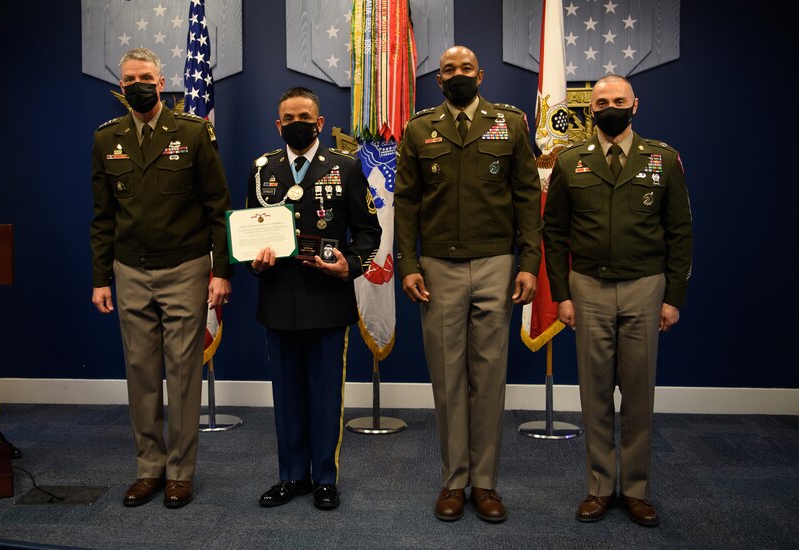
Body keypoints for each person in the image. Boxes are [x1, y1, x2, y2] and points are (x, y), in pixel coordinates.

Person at [394, 46, 542, 523]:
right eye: (448, 70)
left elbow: (526, 196)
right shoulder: (420, 128)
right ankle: (453, 481)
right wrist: (408, 264)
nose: (457, 75)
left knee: (489, 378)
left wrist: (529, 263)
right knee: (447, 378)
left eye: (465, 69)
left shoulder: (510, 123)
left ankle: (486, 482)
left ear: (482, 74)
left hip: (498, 262)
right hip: (438, 267)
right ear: (438, 79)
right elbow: (406, 203)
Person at [543, 74, 693, 527]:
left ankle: (636, 489)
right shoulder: (571, 162)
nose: (610, 106)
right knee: (595, 394)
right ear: (592, 110)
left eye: (618, 100)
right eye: (602, 101)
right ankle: (599, 487)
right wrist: (562, 296)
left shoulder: (662, 159)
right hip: (587, 288)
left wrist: (673, 298)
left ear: (635, 105)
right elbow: (553, 233)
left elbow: (680, 233)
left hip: (645, 288)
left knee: (639, 394)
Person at [90, 48, 232, 509]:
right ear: (121, 84)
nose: (137, 84)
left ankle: (180, 473)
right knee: (141, 373)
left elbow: (217, 208)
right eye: (129, 78)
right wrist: (100, 278)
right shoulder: (106, 138)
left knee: (184, 373)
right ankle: (149, 469)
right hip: (129, 269)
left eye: (145, 76)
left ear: (162, 79)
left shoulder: (192, 132)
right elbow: (102, 216)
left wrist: (220, 272)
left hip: (186, 268)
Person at [248, 87, 381, 511]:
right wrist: (254, 261)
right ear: (278, 124)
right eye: (288, 118)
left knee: (325, 396)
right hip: (278, 298)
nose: (296, 123)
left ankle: (324, 477)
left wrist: (351, 266)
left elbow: (369, 232)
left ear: (320, 123)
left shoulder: (345, 167)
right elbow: (249, 228)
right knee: (287, 396)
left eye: (304, 116)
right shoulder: (261, 169)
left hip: (327, 299)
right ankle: (291, 477)